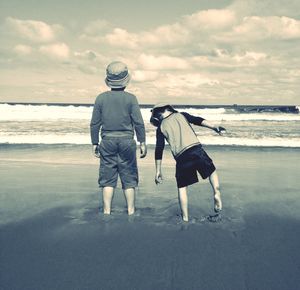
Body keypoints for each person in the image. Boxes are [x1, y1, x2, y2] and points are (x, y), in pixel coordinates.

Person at [150, 103, 225, 222]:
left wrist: (158, 170)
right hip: (196, 150)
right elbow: (198, 120)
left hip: (181, 157)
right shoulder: (182, 115)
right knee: (212, 171)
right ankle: (216, 192)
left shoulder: (161, 127)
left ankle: (185, 217)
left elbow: (159, 148)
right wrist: (214, 127)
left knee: (182, 187)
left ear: (160, 112)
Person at [90, 61, 147, 216]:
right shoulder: (131, 99)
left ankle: (107, 211)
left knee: (108, 178)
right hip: (127, 142)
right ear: (125, 80)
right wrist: (142, 142)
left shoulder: (101, 98)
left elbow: (95, 123)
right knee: (128, 176)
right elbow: (138, 123)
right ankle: (130, 210)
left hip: (107, 141)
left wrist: (95, 142)